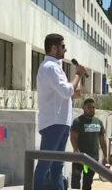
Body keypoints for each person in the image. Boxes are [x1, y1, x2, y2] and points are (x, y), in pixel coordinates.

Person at [34, 33, 86, 190]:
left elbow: (70, 92)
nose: (65, 49)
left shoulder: (55, 67)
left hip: (61, 122)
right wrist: (77, 74)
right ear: (54, 47)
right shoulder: (50, 67)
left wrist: (74, 86)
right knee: (45, 164)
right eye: (63, 46)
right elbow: (66, 90)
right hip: (54, 122)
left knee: (57, 166)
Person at [70, 98, 108, 190]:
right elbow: (73, 137)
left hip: (92, 159)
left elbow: (102, 140)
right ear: (83, 108)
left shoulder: (98, 122)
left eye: (93, 107)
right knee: (76, 177)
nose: (92, 109)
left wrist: (105, 156)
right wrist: (76, 150)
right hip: (79, 157)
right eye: (89, 107)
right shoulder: (78, 121)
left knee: (87, 181)